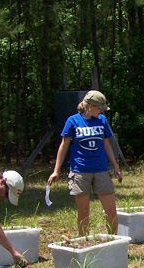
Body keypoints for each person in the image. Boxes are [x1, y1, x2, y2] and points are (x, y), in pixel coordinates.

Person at [48, 90, 123, 235]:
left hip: (101, 169)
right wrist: (56, 170)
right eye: (99, 107)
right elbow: (64, 146)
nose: (101, 111)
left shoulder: (102, 120)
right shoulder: (73, 121)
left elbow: (106, 143)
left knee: (111, 211)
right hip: (80, 171)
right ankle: (84, 243)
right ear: (89, 106)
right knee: (84, 213)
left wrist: (115, 165)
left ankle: (113, 242)